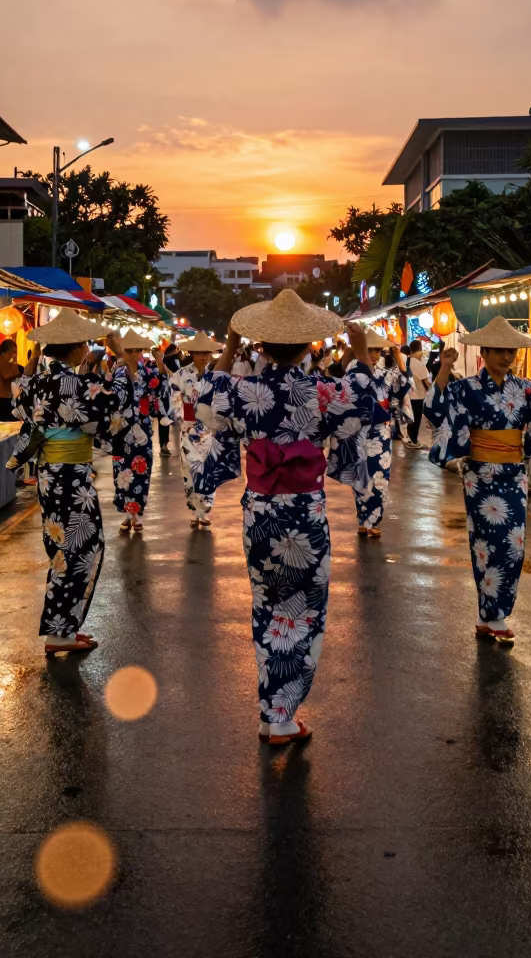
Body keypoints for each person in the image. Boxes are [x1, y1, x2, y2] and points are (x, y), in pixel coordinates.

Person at [195, 289, 375, 745]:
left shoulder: (242, 388)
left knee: (267, 604)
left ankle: (270, 710)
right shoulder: (324, 392)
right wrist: (360, 355)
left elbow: (206, 400)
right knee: (305, 608)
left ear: (260, 346)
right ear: (310, 346)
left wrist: (230, 348)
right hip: (305, 513)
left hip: (260, 512)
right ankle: (281, 715)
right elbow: (366, 405)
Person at [423, 314, 531, 645]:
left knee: (514, 545)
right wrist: (444, 368)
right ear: (484, 353)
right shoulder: (467, 389)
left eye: (510, 352)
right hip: (480, 477)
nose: (506, 357)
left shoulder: (526, 389)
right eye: (499, 351)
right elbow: (434, 409)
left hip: (513, 475)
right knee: (485, 546)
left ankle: (489, 614)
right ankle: (494, 617)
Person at [7, 310, 136, 655]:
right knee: (80, 549)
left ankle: (61, 627)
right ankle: (60, 632)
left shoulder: (37, 383)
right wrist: (120, 356)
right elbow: (120, 398)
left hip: (50, 475)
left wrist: (32, 360)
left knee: (63, 547)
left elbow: (18, 398)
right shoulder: (76, 384)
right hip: (71, 476)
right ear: (78, 347)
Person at [332, 329, 410, 538]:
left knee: (380, 479)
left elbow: (402, 387)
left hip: (382, 433)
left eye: (377, 351)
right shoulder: (352, 374)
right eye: (370, 350)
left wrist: (398, 358)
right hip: (361, 431)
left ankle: (374, 520)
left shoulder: (385, 374)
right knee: (362, 477)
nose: (374, 355)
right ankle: (362, 519)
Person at [161, 331, 225, 529]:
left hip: (210, 430)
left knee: (208, 470)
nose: (203, 357)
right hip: (189, 429)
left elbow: (222, 401)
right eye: (198, 353)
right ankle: (195, 510)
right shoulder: (180, 375)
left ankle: (204, 510)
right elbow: (174, 398)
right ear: (191, 353)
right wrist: (185, 416)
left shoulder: (215, 376)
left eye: (206, 353)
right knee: (189, 469)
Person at [112, 333, 169, 533]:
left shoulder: (148, 372)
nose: (134, 354)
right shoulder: (117, 372)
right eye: (129, 350)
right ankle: (128, 514)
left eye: (137, 350)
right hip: (122, 430)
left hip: (143, 428)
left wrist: (160, 360)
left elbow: (161, 384)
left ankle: (135, 513)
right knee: (122, 471)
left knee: (142, 470)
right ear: (123, 351)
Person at [406, 339, 431, 448]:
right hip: (417, 397)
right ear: (419, 350)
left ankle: (410, 439)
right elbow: (427, 382)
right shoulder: (419, 364)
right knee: (416, 420)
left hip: (408, 397)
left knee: (410, 419)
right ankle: (413, 441)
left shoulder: (407, 362)